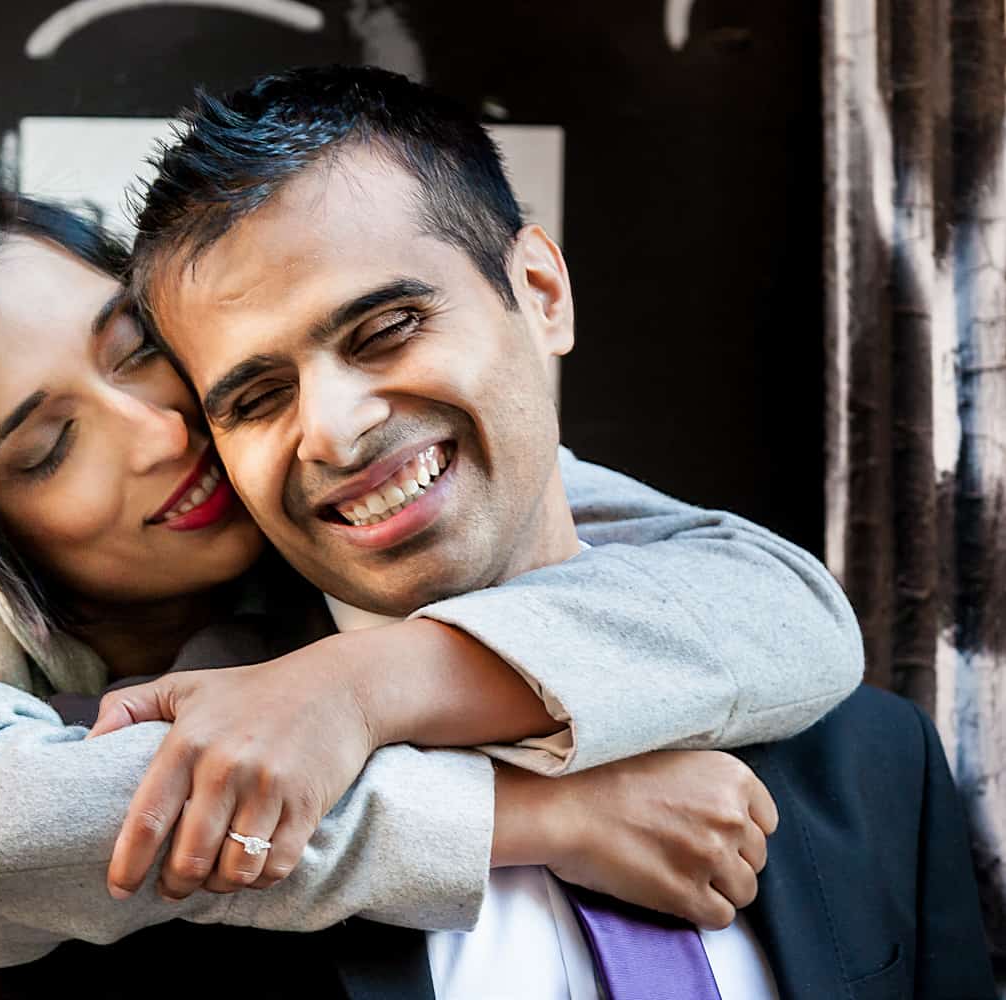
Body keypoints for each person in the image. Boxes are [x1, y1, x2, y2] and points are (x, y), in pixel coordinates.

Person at [0, 183, 861, 999]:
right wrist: (535, 820)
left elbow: (780, 604)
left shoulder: (302, 468)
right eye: (50, 448)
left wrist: (360, 686)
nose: (158, 430)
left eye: (135, 346)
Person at [92, 63, 994, 998]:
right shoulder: (157, 816)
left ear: (540, 291)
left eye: (387, 328)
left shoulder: (878, 763)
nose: (332, 427)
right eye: (258, 397)